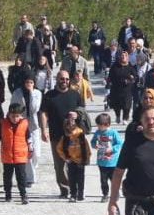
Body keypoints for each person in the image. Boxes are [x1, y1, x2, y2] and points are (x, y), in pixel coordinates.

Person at [42, 70, 85, 200]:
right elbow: (43, 113)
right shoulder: (49, 95)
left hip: (74, 136)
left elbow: (82, 110)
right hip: (56, 135)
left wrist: (77, 115)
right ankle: (65, 189)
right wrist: (43, 129)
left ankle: (75, 189)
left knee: (74, 163)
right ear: (57, 79)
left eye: (66, 79)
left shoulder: (75, 94)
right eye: (62, 79)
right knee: (59, 165)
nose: (64, 81)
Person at [8, 76, 43, 186]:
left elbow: (34, 108)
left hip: (34, 126)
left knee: (36, 153)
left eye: (31, 82)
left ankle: (32, 169)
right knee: (28, 152)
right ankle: (30, 178)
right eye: (27, 82)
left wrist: (31, 93)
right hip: (21, 125)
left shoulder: (37, 93)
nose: (29, 84)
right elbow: (12, 108)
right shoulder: (17, 93)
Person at [0, 102, 32, 204]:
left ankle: (23, 195)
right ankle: (8, 195)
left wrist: (31, 149)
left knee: (21, 176)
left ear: (21, 115)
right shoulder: (3, 124)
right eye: (12, 116)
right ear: (8, 114)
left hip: (21, 156)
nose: (15, 118)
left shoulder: (24, 124)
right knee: (7, 177)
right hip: (7, 156)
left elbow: (29, 138)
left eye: (17, 116)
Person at [56, 110, 93, 202]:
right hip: (70, 160)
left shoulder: (81, 134)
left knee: (81, 178)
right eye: (69, 124)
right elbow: (59, 149)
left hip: (81, 160)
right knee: (72, 178)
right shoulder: (65, 137)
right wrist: (66, 158)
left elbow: (87, 148)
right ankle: (73, 194)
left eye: (73, 123)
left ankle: (81, 193)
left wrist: (87, 158)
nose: (71, 126)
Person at [92, 112, 125, 201]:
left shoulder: (113, 132)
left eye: (100, 126)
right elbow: (93, 141)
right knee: (103, 180)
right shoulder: (98, 132)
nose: (98, 127)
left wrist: (112, 149)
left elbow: (120, 143)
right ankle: (105, 194)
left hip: (113, 161)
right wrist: (95, 145)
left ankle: (115, 193)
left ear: (107, 124)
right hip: (102, 161)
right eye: (98, 125)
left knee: (114, 180)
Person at [107, 50, 139, 124]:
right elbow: (110, 77)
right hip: (116, 89)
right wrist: (108, 83)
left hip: (127, 90)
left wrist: (131, 79)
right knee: (116, 105)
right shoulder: (115, 66)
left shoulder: (131, 67)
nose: (123, 57)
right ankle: (118, 116)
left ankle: (125, 118)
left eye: (125, 56)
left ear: (128, 57)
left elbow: (135, 77)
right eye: (122, 55)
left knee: (127, 105)